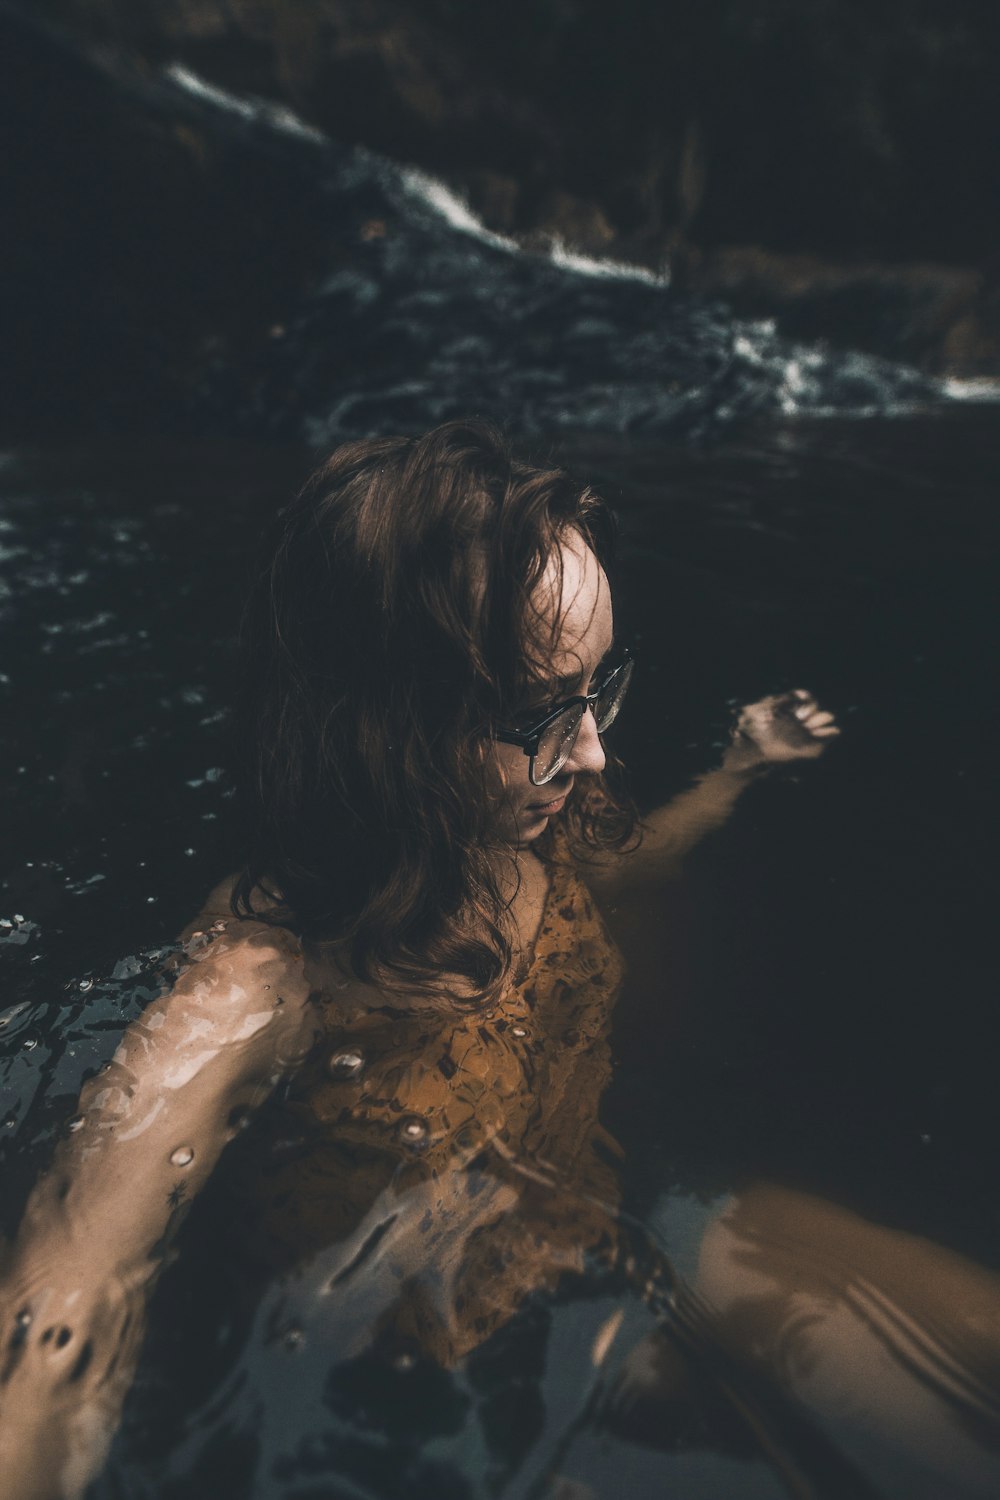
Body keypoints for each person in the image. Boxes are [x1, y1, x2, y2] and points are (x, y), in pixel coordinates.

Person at [0, 421, 846, 1498]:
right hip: (436, 1414)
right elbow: (63, 1301)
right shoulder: (258, 980)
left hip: (606, 1256)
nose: (589, 750)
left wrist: (735, 775)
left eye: (599, 690)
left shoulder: (545, 804)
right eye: (540, 711)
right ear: (382, 721)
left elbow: (615, 877)